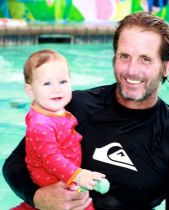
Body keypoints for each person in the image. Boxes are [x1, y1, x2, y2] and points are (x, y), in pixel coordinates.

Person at [3, 12, 169, 210]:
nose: (131, 70)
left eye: (145, 59)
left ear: (167, 66)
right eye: (124, 56)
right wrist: (38, 197)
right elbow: (14, 164)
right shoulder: (74, 106)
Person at [10, 49, 106, 210]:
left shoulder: (57, 111)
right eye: (47, 83)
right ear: (30, 91)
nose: (57, 89)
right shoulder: (41, 124)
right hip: (52, 183)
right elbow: (51, 159)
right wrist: (79, 175)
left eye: (63, 82)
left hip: (65, 179)